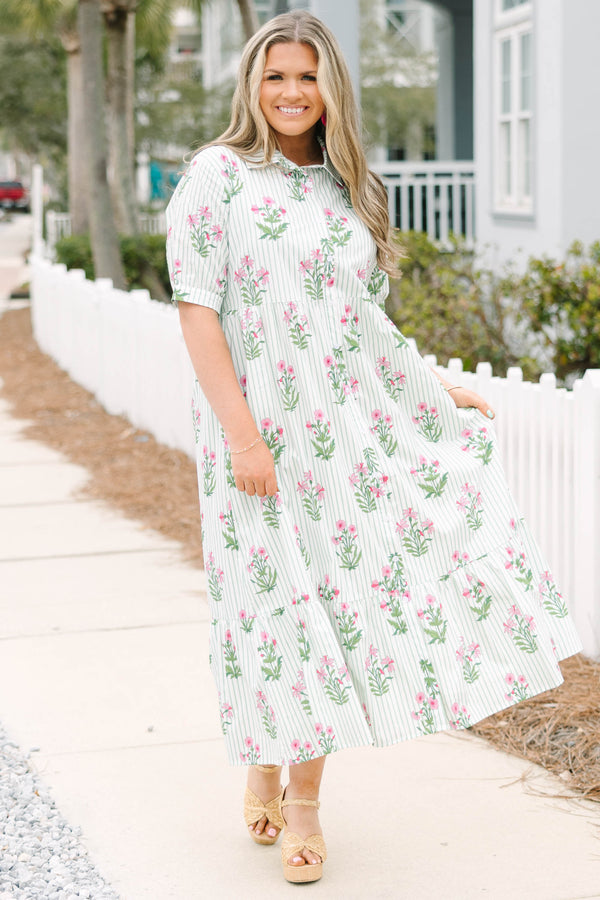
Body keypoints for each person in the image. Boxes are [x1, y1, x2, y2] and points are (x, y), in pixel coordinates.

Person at [165, 10, 582, 885]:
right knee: (272, 613)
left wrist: (433, 390)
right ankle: (264, 756)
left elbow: (362, 325)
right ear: (252, 82)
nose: (290, 92)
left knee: (336, 611)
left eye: (307, 77)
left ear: (330, 89)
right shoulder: (219, 177)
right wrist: (243, 435)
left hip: (343, 441)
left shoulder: (345, 186)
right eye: (276, 76)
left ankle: (305, 802)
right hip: (253, 438)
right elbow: (197, 308)